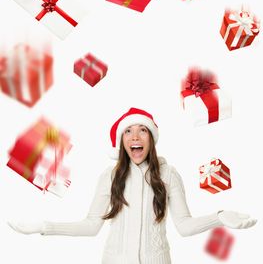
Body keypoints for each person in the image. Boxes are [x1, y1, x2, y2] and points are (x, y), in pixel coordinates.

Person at [8, 107, 257, 264]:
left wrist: (220, 217)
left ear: (151, 139)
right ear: (121, 141)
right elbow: (91, 226)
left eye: (142, 131)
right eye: (128, 131)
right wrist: (43, 227)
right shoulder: (109, 176)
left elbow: (184, 225)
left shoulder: (169, 174)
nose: (135, 137)